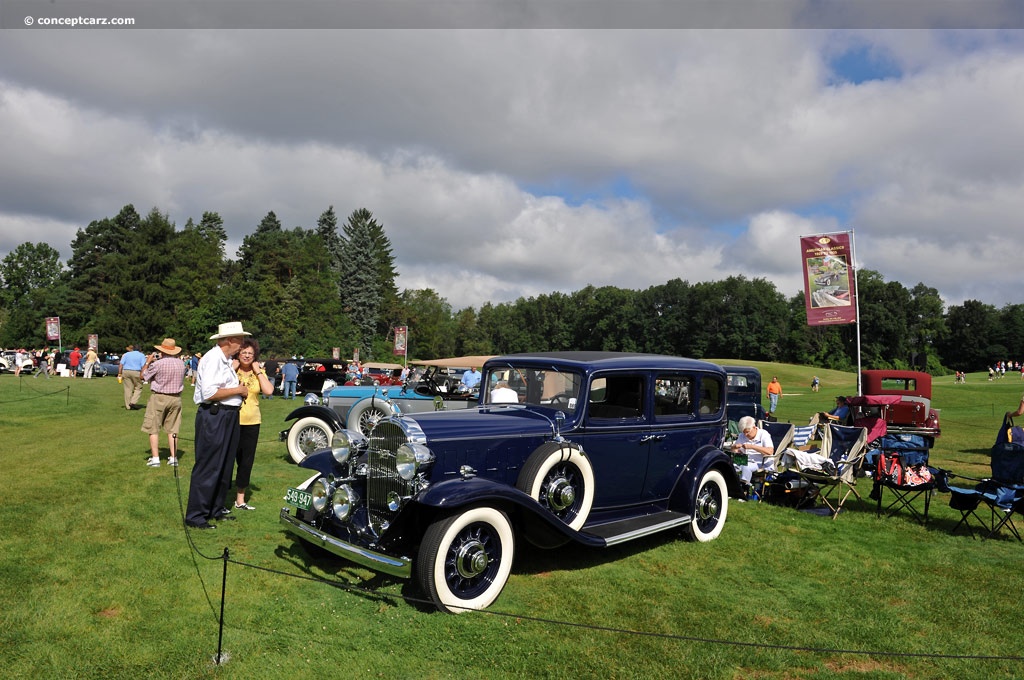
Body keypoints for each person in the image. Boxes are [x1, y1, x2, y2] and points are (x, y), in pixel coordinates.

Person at [185, 322, 251, 530]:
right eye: (239, 340)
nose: (242, 344)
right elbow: (210, 393)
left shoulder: (224, 360)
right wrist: (239, 390)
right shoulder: (213, 359)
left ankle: (215, 508)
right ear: (229, 341)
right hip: (215, 415)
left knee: (224, 465)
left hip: (227, 415)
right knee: (209, 465)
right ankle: (196, 515)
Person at [230, 338, 274, 510]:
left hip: (252, 422)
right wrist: (232, 369)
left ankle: (240, 499)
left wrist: (258, 371)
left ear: (255, 356)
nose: (247, 356)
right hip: (231, 420)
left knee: (246, 461)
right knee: (227, 459)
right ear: (238, 354)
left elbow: (269, 391)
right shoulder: (230, 369)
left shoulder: (258, 371)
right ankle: (220, 497)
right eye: (243, 352)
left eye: (250, 353)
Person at [141, 338, 187, 467]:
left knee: (153, 427)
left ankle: (155, 459)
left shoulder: (158, 364)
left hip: (160, 397)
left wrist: (148, 362)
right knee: (173, 429)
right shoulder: (181, 364)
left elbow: (143, 376)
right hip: (176, 398)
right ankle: (173, 458)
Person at [731, 416, 776, 488]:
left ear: (754, 427)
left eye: (747, 432)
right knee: (730, 466)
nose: (745, 435)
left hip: (760, 462)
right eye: (744, 432)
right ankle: (731, 488)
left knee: (746, 467)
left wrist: (752, 446)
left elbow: (770, 451)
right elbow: (734, 451)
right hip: (743, 460)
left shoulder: (763, 434)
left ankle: (744, 488)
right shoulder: (742, 436)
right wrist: (734, 447)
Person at [118, 344, 147, 409]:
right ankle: (133, 402)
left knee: (128, 389)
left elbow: (121, 365)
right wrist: (143, 374)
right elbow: (143, 366)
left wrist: (119, 373)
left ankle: (128, 406)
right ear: (140, 349)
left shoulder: (126, 354)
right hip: (136, 371)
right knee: (138, 387)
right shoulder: (141, 355)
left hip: (126, 371)